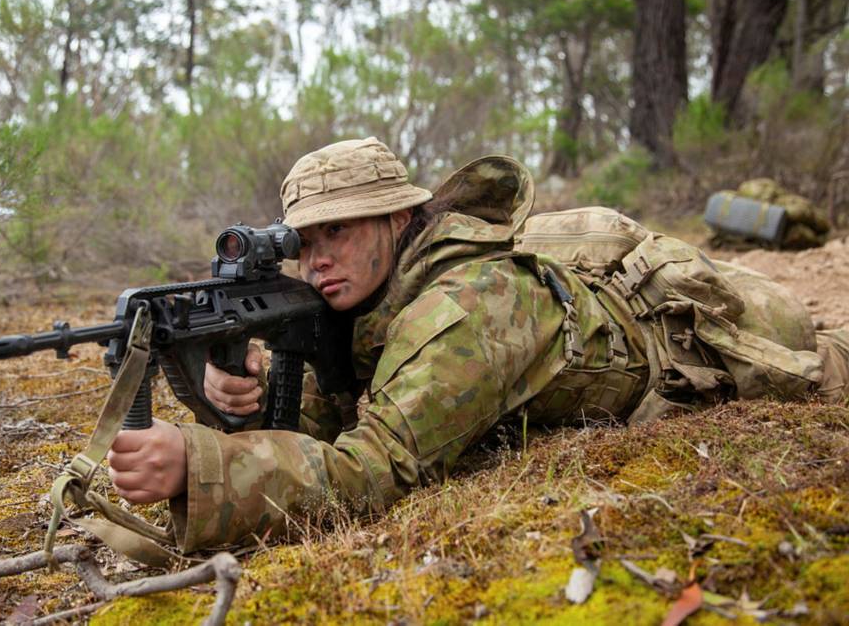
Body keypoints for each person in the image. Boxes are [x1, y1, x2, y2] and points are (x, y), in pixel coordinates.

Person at [107, 137, 849, 552]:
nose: (319, 257)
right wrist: (243, 391)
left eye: (340, 230)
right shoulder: (367, 298)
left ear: (399, 221)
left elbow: (376, 469)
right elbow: (330, 418)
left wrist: (199, 464)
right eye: (305, 240)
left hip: (727, 335)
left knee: (835, 352)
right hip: (615, 307)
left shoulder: (467, 309)